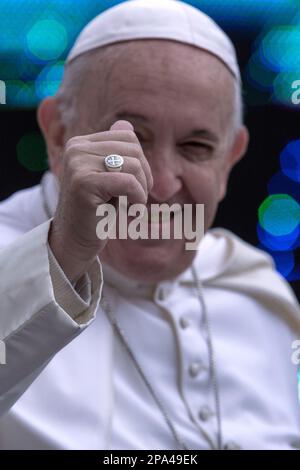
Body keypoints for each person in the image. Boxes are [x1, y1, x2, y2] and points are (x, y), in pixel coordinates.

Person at [0, 0, 299, 450]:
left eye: (196, 146)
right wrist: (64, 252)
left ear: (230, 159)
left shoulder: (255, 287)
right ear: (58, 135)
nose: (158, 185)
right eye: (130, 139)